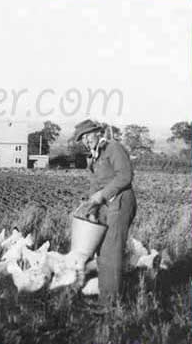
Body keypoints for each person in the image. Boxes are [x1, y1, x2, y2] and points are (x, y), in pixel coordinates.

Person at [73, 119, 137, 306]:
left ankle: (110, 304)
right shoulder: (94, 156)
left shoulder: (113, 148)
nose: (85, 141)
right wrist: (91, 207)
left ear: (97, 132)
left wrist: (102, 195)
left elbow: (125, 176)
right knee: (100, 251)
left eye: (87, 136)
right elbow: (94, 184)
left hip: (121, 201)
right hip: (106, 204)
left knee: (111, 251)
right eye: (81, 139)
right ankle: (105, 296)